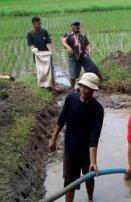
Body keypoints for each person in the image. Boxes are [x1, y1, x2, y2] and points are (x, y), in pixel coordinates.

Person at [49, 73, 104, 202]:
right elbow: (61, 120)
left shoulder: (97, 109)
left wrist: (93, 162)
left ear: (94, 90)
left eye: (88, 88)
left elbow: (94, 137)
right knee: (69, 183)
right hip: (70, 150)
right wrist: (53, 138)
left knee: (89, 178)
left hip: (86, 152)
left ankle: (90, 199)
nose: (84, 90)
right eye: (82, 86)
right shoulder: (70, 99)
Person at [62, 19, 104, 92]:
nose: (76, 26)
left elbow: (87, 44)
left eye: (77, 25)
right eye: (74, 25)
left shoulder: (83, 35)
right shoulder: (68, 34)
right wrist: (68, 47)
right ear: (71, 26)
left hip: (83, 56)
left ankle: (102, 80)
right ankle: (72, 89)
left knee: (94, 68)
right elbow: (63, 42)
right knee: (73, 75)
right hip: (73, 58)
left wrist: (89, 50)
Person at [27, 16, 57, 91]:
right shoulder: (30, 34)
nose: (40, 25)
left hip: (46, 55)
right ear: (33, 24)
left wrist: (50, 51)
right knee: (41, 71)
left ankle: (53, 87)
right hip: (38, 56)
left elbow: (48, 43)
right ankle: (42, 87)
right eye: (38, 24)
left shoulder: (44, 31)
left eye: (40, 23)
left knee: (50, 70)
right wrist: (34, 50)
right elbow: (32, 45)